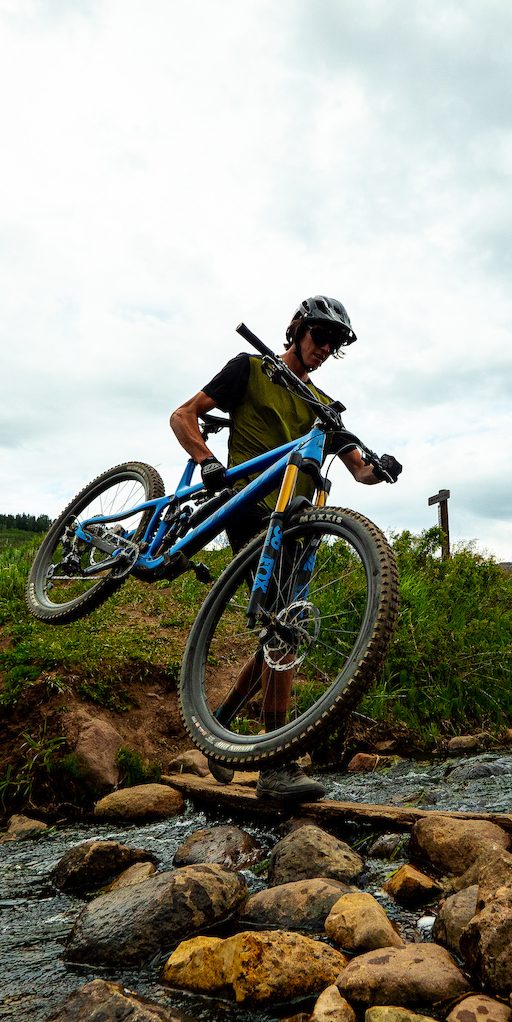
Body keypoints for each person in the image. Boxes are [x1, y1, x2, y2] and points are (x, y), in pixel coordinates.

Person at [169, 295, 401, 802]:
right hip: (252, 507)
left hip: (298, 523)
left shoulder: (322, 406)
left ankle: (222, 727)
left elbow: (357, 469)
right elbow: (183, 415)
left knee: (283, 629)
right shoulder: (250, 369)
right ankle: (276, 765)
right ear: (296, 330)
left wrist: (379, 468)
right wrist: (207, 460)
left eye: (336, 345)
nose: (325, 350)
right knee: (284, 631)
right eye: (321, 338)